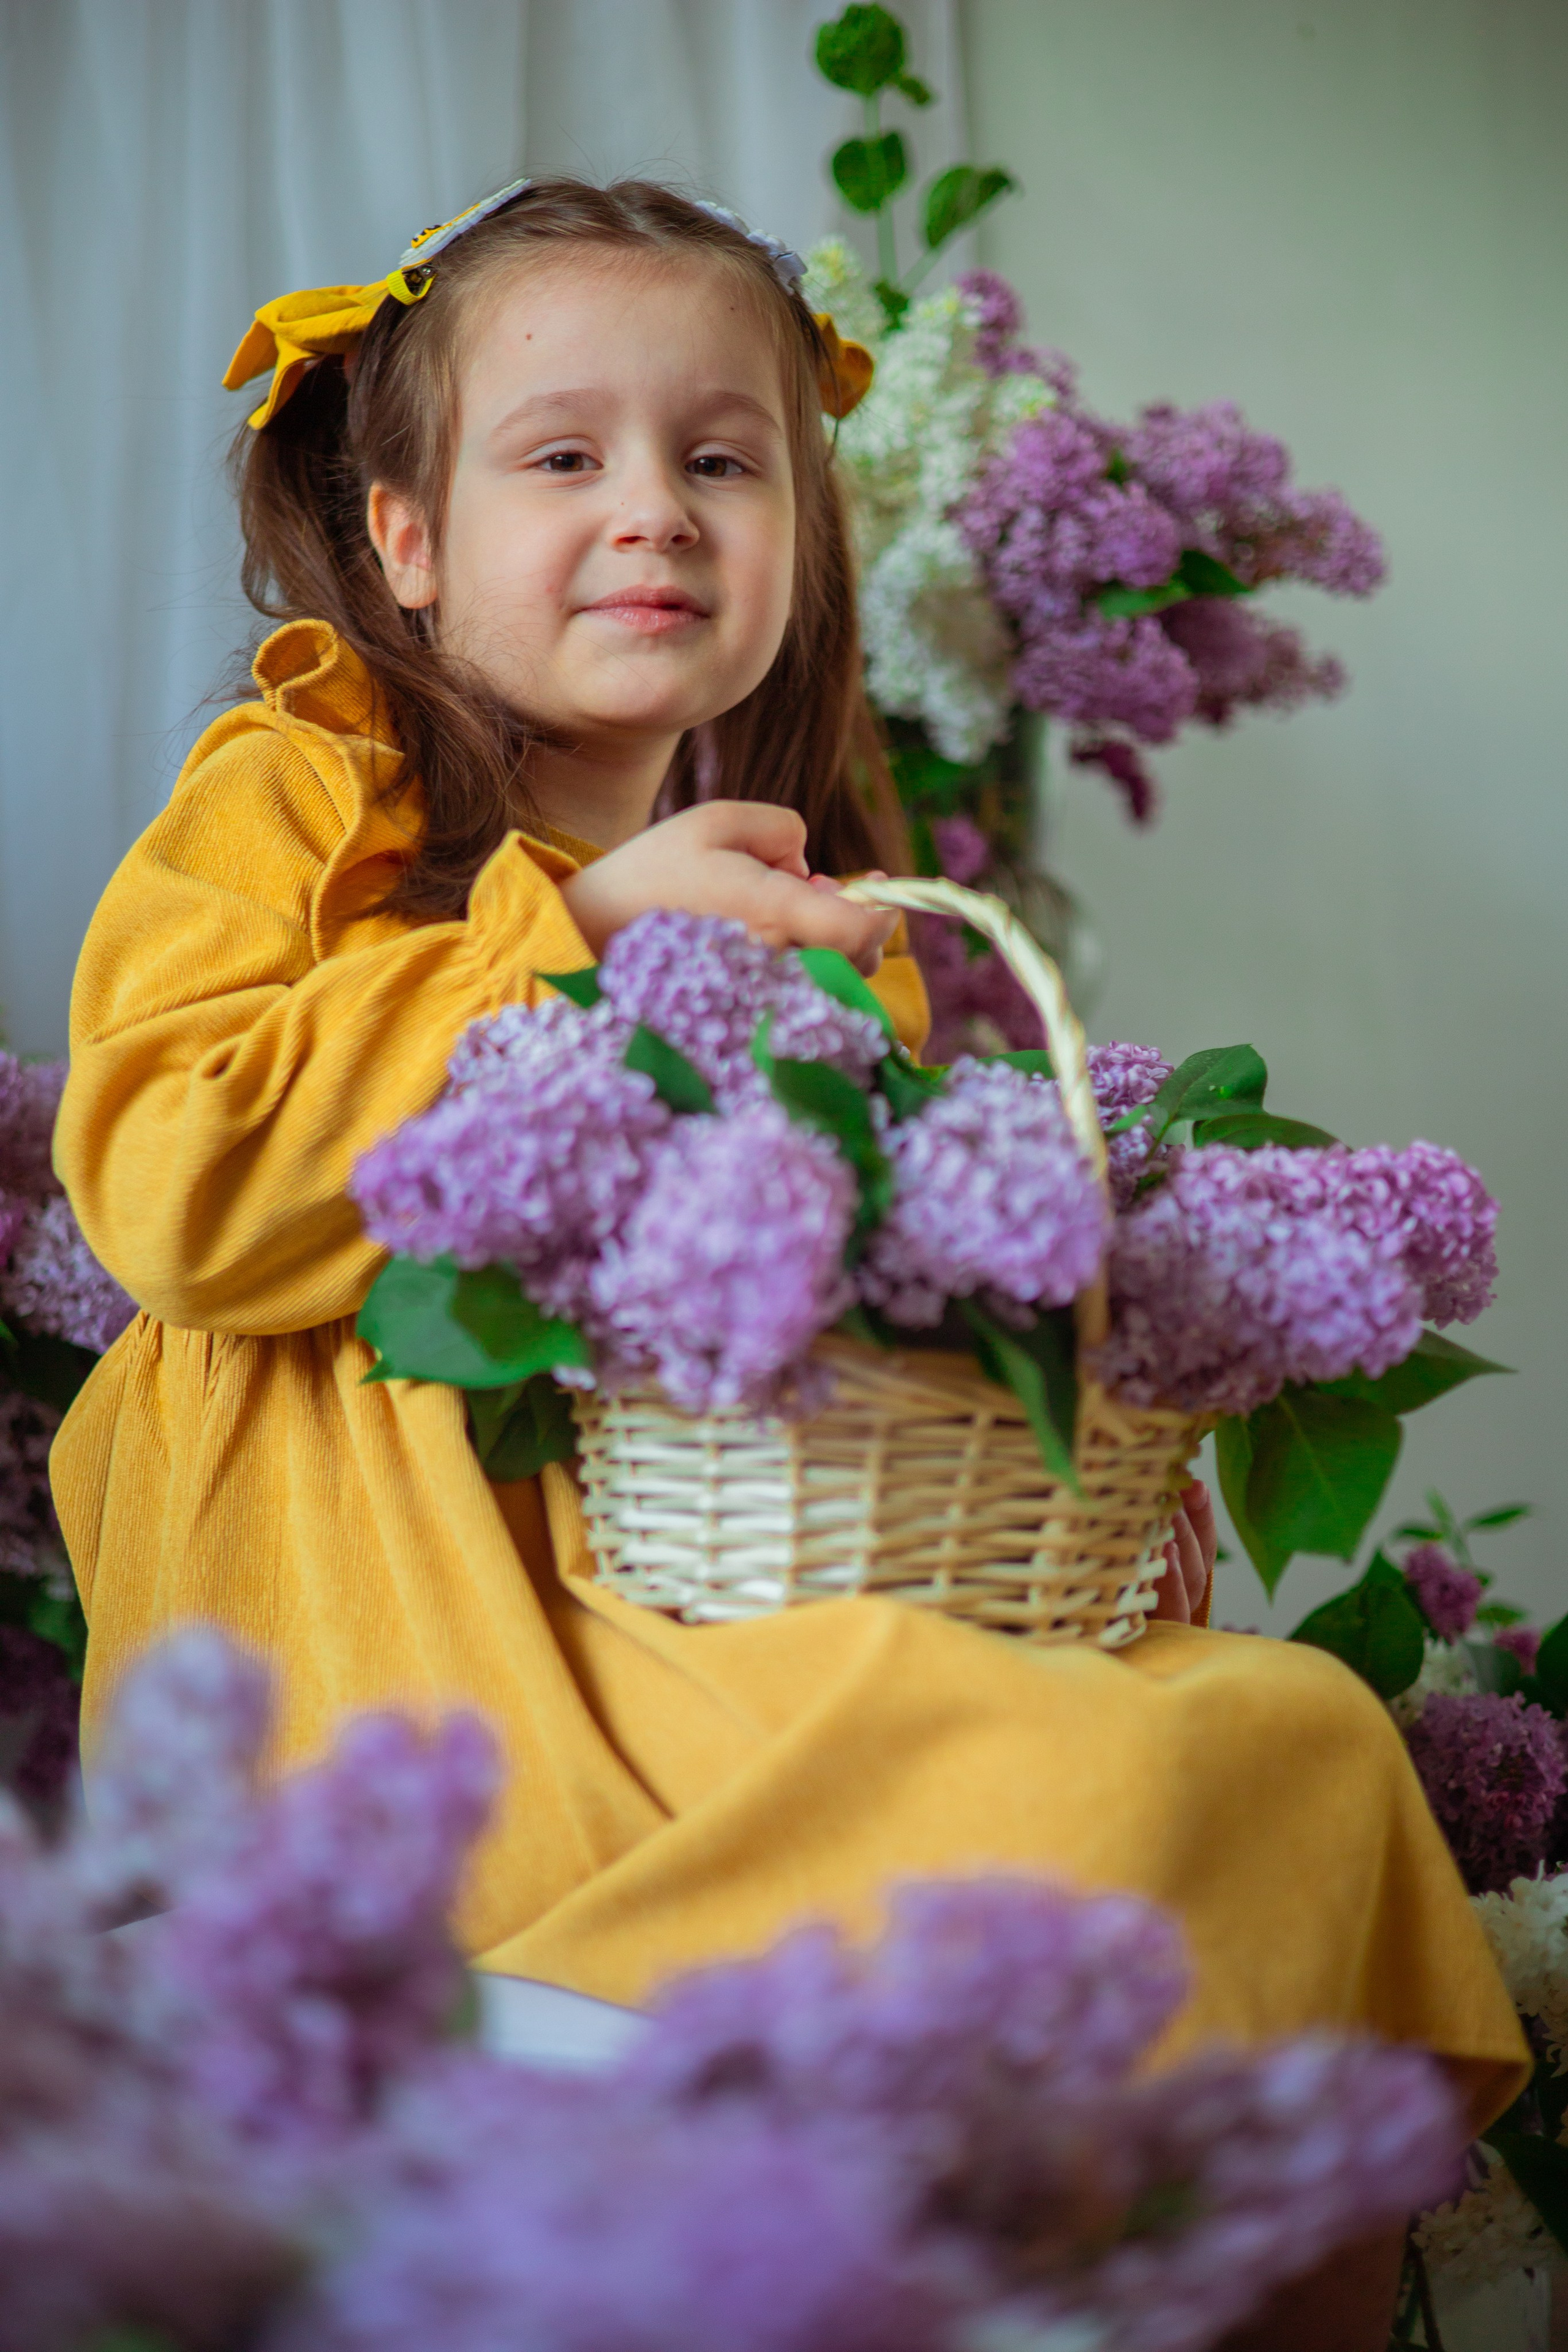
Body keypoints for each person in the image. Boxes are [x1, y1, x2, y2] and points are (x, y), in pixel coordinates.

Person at [52, 176, 1520, 2347]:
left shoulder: (823, 914)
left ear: (799, 536)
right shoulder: (304, 786)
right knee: (1102, 1791)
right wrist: (589, 933)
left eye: (720, 458)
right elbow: (170, 1174)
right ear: (409, 544)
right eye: (565, 456)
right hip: (399, 1640)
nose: (654, 508)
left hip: (711, 1593)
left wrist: (1094, 1444)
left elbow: (847, 1352)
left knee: (1294, 1741)